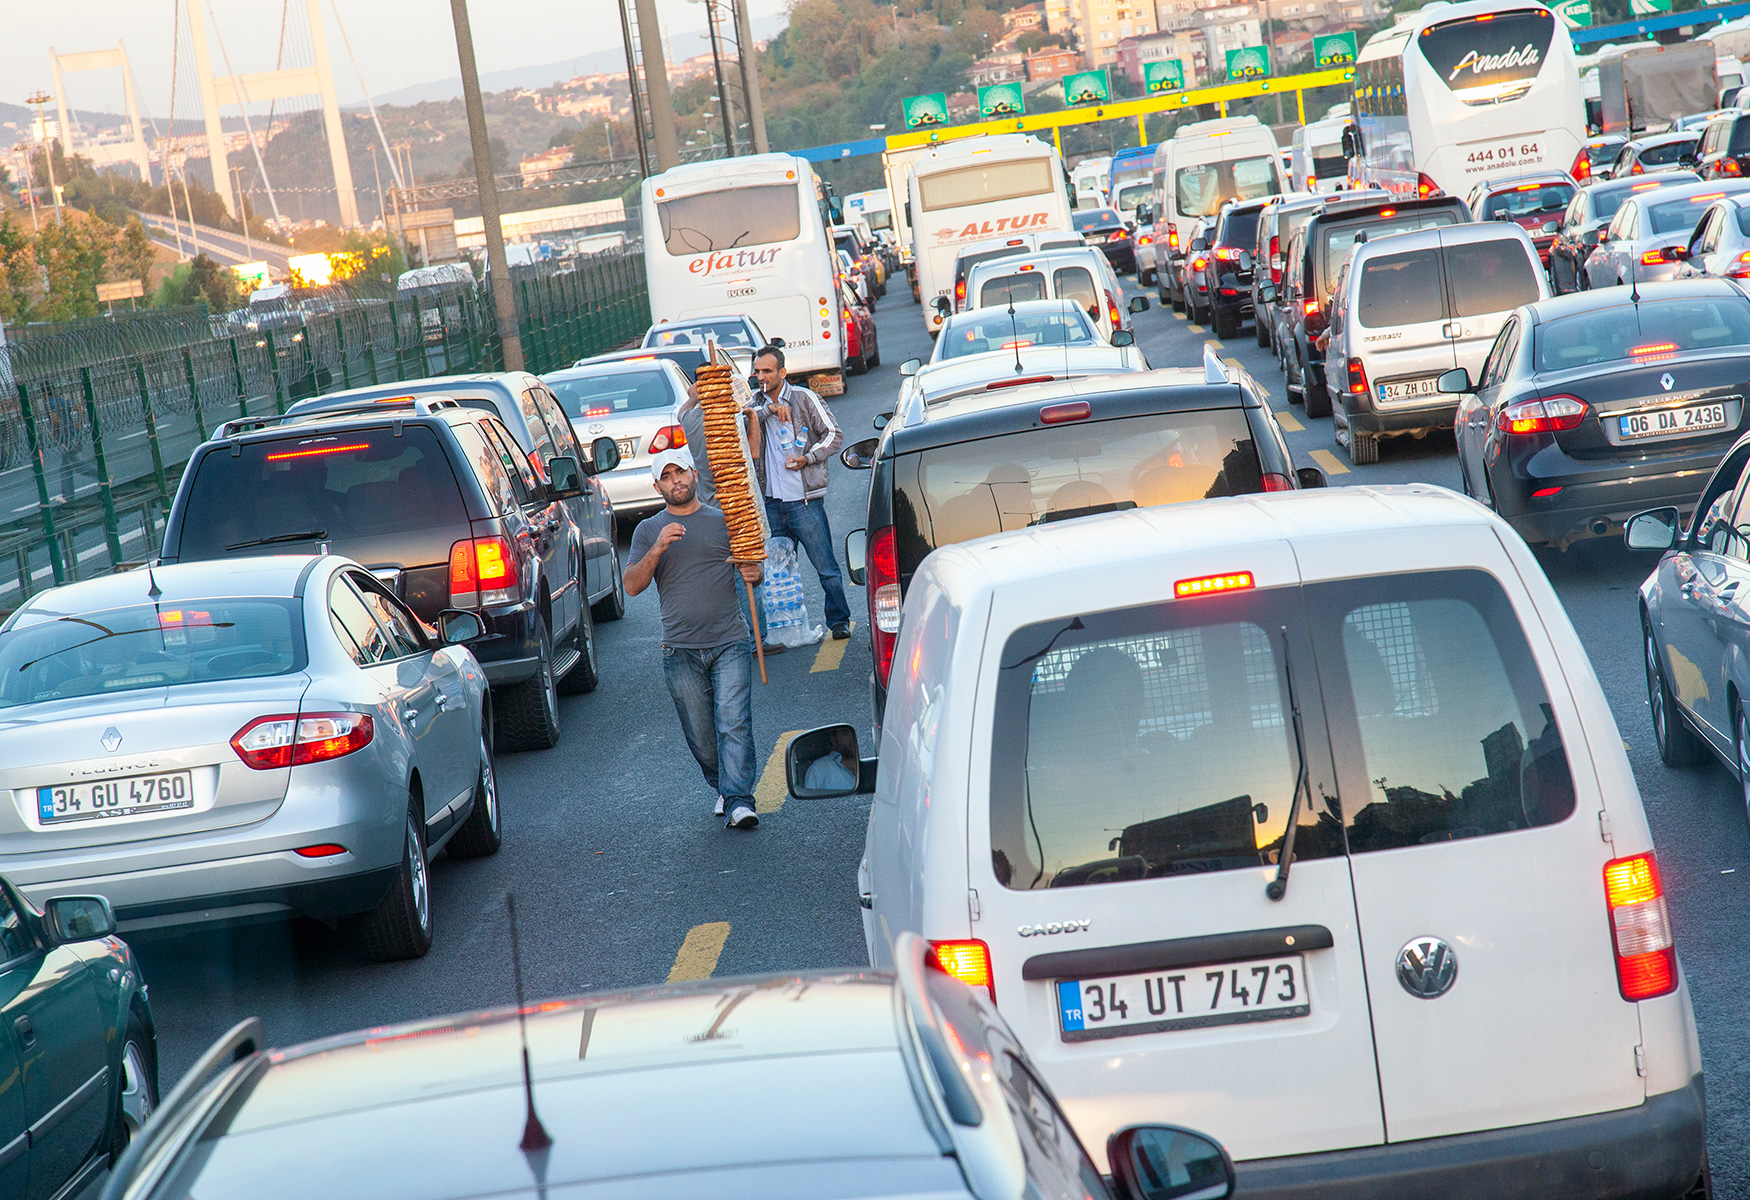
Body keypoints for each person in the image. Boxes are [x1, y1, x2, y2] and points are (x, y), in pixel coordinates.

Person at [624, 447, 763, 830]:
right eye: (667, 477)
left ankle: (739, 800)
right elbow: (632, 586)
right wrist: (658, 548)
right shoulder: (648, 530)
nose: (676, 481)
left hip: (730, 640)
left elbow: (753, 571)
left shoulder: (724, 521)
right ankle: (724, 786)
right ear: (657, 486)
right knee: (702, 735)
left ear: (694, 474)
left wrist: (755, 573)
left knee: (733, 723)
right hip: (679, 648)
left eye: (681, 473)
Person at [748, 345, 852, 639]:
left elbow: (834, 434)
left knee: (825, 567)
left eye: (767, 371)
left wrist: (808, 458)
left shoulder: (804, 398)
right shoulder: (753, 405)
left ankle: (839, 621)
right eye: (757, 371)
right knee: (776, 573)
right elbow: (739, 425)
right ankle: (783, 629)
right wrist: (767, 410)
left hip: (804, 503)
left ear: (782, 372)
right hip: (771, 504)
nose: (761, 377)